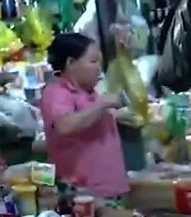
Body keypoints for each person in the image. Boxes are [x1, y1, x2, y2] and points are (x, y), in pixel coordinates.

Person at [40, 33, 130, 199]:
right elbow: (65, 125)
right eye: (93, 62)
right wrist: (102, 104)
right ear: (71, 63)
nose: (98, 69)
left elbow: (92, 121)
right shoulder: (57, 92)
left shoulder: (89, 92)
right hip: (84, 195)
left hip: (112, 189)